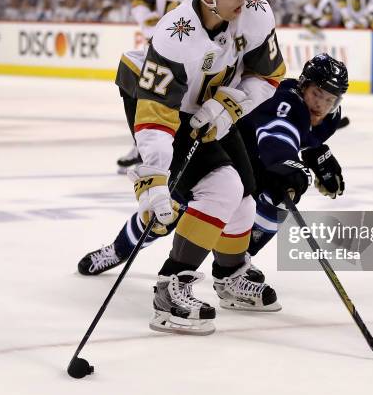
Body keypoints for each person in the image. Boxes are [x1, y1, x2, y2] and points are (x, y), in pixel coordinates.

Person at [103, 0, 287, 336]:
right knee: (221, 186)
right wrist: (153, 175)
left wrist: (231, 106)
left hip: (209, 103)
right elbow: (156, 113)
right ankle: (171, 288)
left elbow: (269, 76)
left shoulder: (254, 12)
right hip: (156, 104)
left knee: (245, 195)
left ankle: (230, 275)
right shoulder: (174, 33)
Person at [78, 53, 347, 303]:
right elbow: (277, 136)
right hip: (218, 152)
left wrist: (317, 153)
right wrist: (288, 163)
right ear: (303, 87)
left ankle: (234, 267)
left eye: (330, 99)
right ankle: (118, 250)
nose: (321, 105)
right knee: (167, 215)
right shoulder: (287, 103)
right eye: (317, 94)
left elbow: (302, 136)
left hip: (253, 167)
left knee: (272, 203)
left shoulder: (329, 119)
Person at [116, 0, 198, 172]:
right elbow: (140, 4)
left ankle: (178, 149)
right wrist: (151, 28)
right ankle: (140, 146)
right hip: (160, 47)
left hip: (192, 52)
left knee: (183, 101)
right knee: (144, 93)